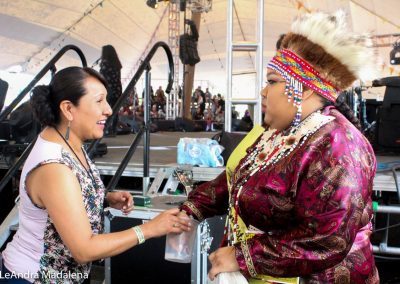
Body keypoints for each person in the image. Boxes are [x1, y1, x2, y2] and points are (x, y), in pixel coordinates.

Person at [180, 11, 379, 283]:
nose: (263, 92)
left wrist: (241, 256)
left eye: (272, 81)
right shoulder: (279, 133)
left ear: (304, 88)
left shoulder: (337, 147)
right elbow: (238, 181)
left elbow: (326, 241)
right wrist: (192, 208)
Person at [0, 67, 191, 283]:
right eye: (99, 101)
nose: (109, 110)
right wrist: (149, 229)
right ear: (68, 109)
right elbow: (84, 249)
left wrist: (104, 197)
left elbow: (66, 193)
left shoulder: (68, 140)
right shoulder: (54, 168)